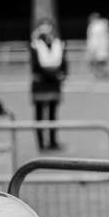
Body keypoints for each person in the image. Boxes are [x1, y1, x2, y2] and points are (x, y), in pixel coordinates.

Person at [30, 18, 67, 151]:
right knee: (39, 115)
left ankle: (52, 141)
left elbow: (64, 63)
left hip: (53, 84)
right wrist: (54, 75)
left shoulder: (58, 44)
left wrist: (63, 75)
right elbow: (36, 66)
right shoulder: (35, 44)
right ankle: (41, 143)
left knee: (52, 114)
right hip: (41, 84)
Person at [86, 12, 109, 80]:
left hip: (97, 47)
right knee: (102, 62)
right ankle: (103, 75)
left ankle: (99, 75)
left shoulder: (94, 27)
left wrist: (91, 49)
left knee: (97, 62)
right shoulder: (103, 25)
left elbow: (93, 40)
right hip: (104, 47)